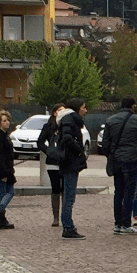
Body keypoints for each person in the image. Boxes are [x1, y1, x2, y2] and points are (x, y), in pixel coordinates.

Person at [103, 97, 137, 235]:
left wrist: (111, 155)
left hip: (116, 159)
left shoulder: (110, 120)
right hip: (131, 159)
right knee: (129, 192)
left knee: (118, 192)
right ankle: (126, 224)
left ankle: (117, 223)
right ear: (133, 106)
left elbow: (105, 144)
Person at [57, 99, 89, 240]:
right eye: (83, 107)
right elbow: (67, 138)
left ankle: (68, 226)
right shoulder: (69, 120)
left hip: (68, 161)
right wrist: (79, 151)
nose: (85, 110)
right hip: (70, 162)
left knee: (68, 196)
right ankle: (68, 227)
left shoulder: (68, 119)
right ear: (77, 108)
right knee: (69, 197)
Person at [37, 103, 64, 227]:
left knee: (65, 189)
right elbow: (40, 142)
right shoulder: (48, 126)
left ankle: (65, 216)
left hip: (65, 161)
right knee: (56, 188)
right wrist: (48, 151)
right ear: (54, 112)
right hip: (53, 162)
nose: (61, 112)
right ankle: (56, 217)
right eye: (59, 110)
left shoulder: (67, 125)